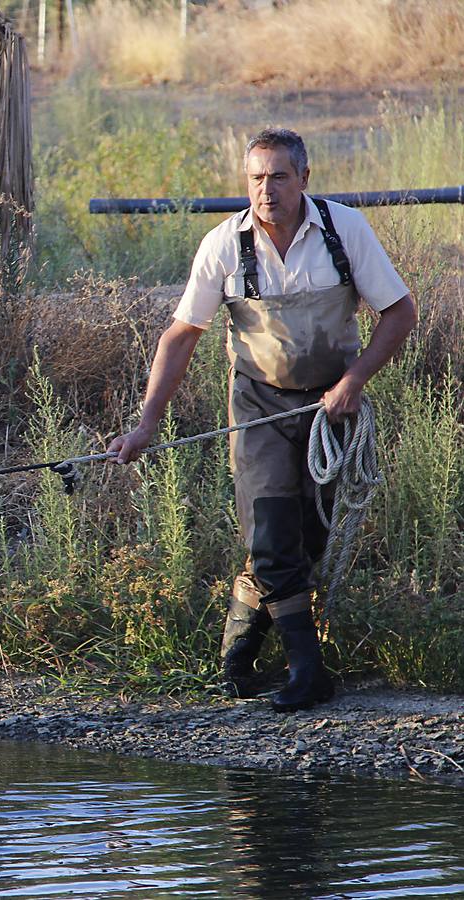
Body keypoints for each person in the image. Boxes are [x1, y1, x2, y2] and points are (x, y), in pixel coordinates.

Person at [108, 128, 416, 712]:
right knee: (273, 533)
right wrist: (146, 424)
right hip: (259, 405)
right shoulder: (223, 245)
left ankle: (238, 655)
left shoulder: (344, 230)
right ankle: (308, 673)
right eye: (255, 178)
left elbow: (400, 313)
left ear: (304, 178)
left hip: (331, 406)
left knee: (306, 540)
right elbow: (180, 336)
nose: (266, 190)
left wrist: (354, 382)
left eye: (278, 176)